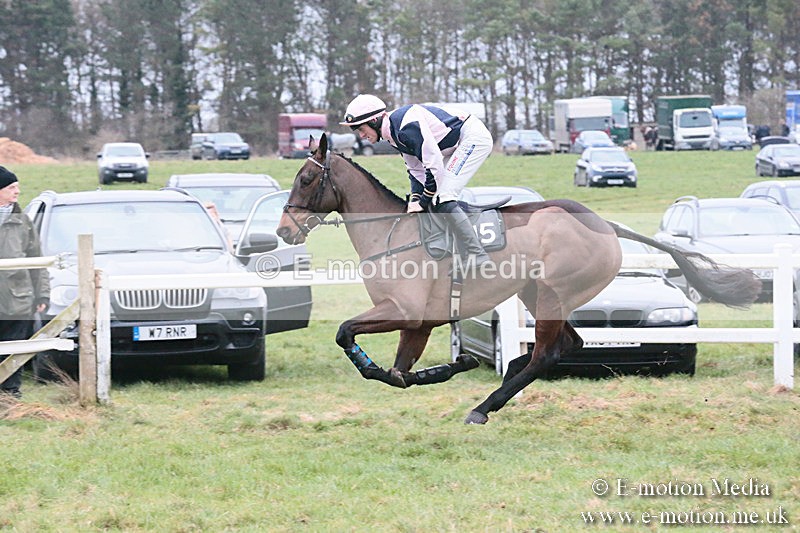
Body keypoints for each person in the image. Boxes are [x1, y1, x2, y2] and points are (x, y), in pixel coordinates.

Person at [340, 94, 493, 269]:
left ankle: (477, 254)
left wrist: (423, 201)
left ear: (374, 120)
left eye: (361, 128)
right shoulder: (393, 133)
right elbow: (415, 170)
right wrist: (415, 199)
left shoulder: (406, 127)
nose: (361, 135)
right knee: (434, 195)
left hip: (471, 138)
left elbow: (433, 166)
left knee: (443, 196)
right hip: (452, 145)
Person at [0, 166, 49, 399]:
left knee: (14, 348)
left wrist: (42, 296)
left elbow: (37, 260)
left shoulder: (23, 222)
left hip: (17, 300)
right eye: (11, 187)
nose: (17, 191)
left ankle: (10, 395)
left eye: (17, 186)